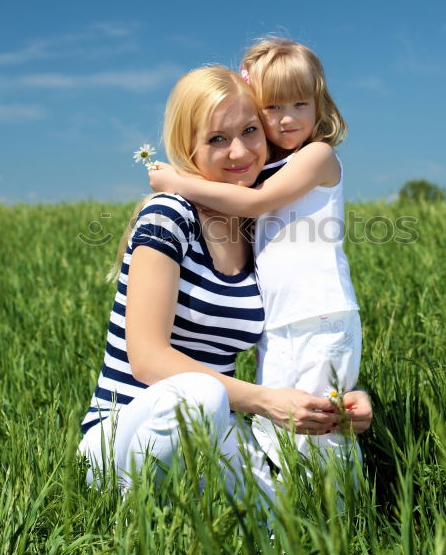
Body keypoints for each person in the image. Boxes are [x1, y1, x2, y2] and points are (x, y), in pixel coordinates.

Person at [77, 65, 372, 498]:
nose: (239, 151)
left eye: (250, 131)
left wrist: (339, 397)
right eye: (217, 139)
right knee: (201, 396)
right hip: (122, 435)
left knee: (289, 518)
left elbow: (294, 341)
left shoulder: (255, 233)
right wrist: (265, 401)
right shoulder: (169, 216)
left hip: (213, 426)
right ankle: (133, 520)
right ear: (188, 147)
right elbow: (147, 359)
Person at [148, 40, 363, 474]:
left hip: (320, 313)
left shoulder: (317, 157)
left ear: (319, 106)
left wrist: (177, 181)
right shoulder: (261, 169)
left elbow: (254, 204)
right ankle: (294, 512)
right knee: (286, 426)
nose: (286, 119)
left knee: (321, 429)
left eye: (300, 104)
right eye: (271, 108)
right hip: (283, 323)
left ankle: (341, 514)